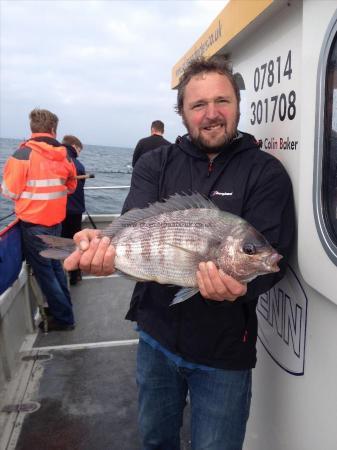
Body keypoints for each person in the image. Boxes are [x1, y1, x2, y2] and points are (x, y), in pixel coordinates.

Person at [64, 56, 295, 449]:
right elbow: (131, 229)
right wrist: (103, 251)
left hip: (225, 355)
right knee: (156, 440)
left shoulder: (266, 173)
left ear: (238, 104)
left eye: (222, 101)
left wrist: (243, 289)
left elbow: (273, 260)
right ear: (182, 114)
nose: (212, 114)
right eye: (198, 105)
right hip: (155, 339)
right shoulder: (156, 163)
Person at [1, 108, 77, 332]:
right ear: (53, 130)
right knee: (55, 269)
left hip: (34, 226)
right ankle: (65, 310)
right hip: (56, 224)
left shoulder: (22, 155)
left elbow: (10, 192)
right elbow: (71, 186)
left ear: (32, 128)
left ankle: (64, 319)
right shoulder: (66, 156)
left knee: (46, 274)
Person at [61, 135, 94, 285]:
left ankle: (63, 275)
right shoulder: (78, 165)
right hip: (75, 211)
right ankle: (75, 275)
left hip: (58, 212)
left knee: (61, 243)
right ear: (74, 146)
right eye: (79, 149)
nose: (80, 152)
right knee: (75, 243)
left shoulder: (57, 161)